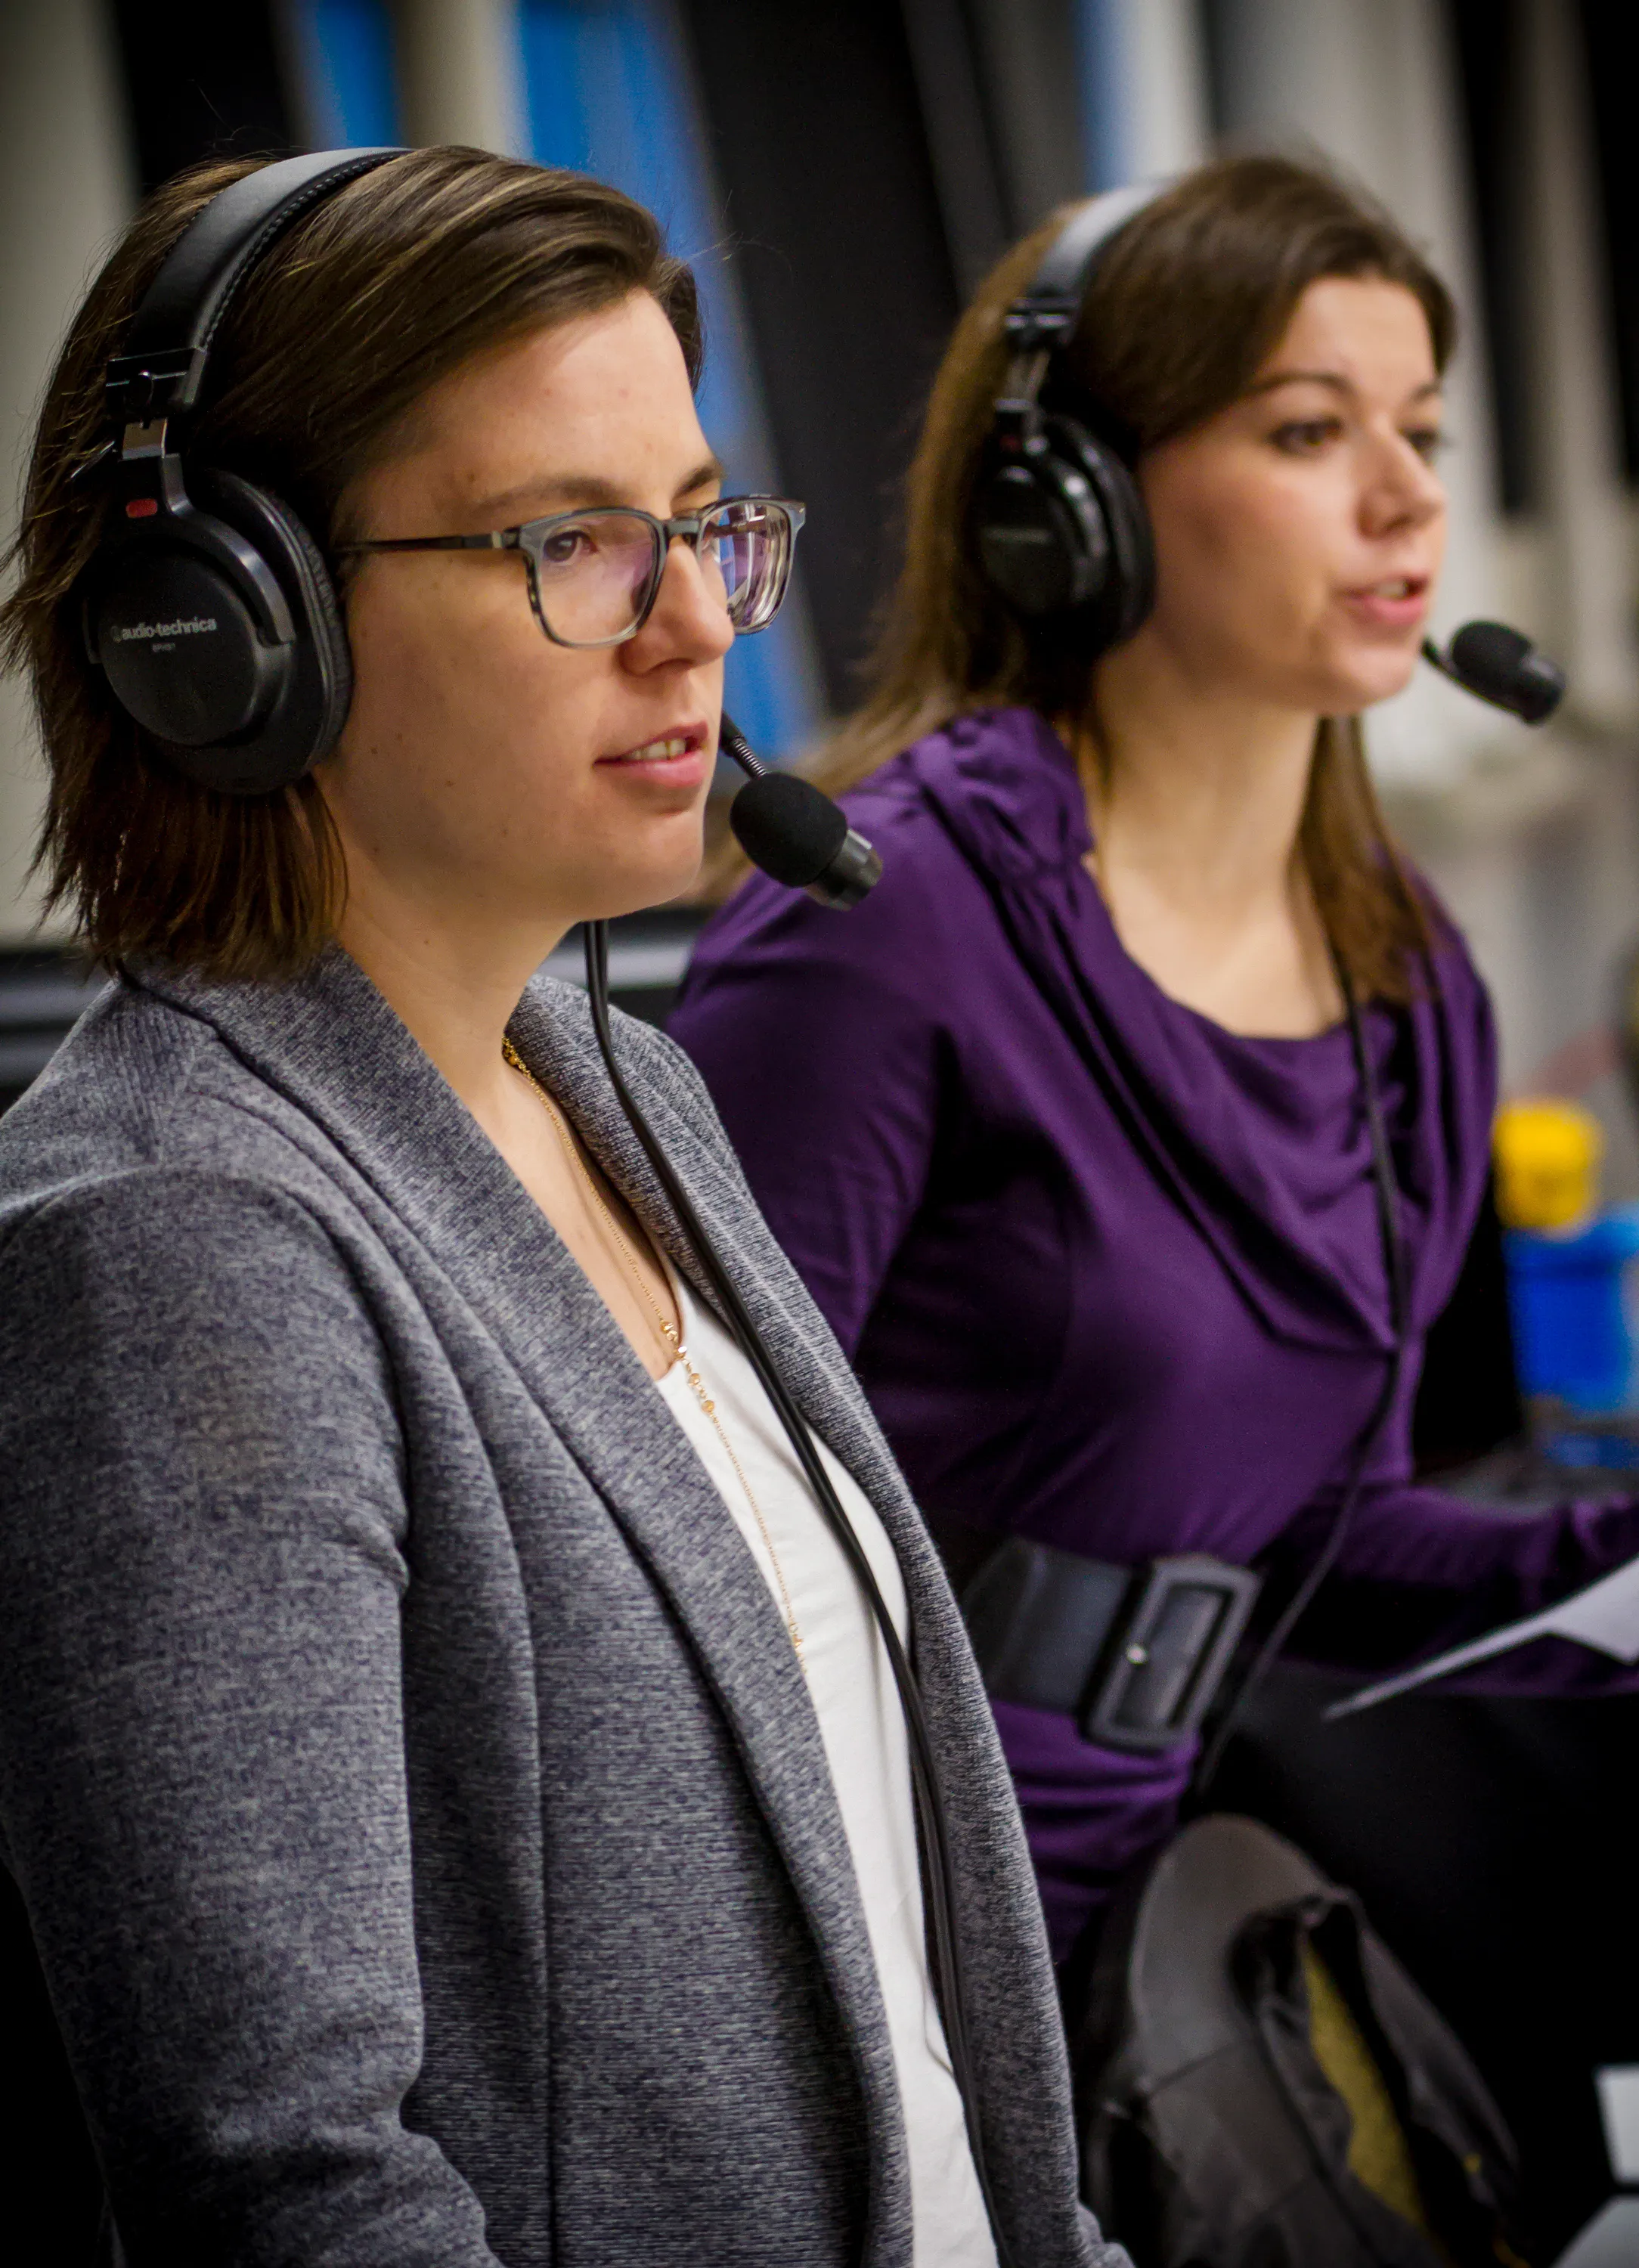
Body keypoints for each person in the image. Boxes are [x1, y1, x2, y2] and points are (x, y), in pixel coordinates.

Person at [0, 147, 1126, 2268]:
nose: (697, 621)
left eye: (701, 524)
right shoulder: (178, 1242)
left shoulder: (622, 1087)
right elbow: (294, 2191)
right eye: (573, 546)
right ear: (226, 628)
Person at [668, 155, 1639, 1973]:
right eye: (1304, 431)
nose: (1407, 495)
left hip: (1166, 1901)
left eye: (1420, 426)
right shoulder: (882, 930)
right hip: (867, 1914)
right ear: (1070, 501)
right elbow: (677, 1554)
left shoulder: (1404, 977)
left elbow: (1311, 1542)